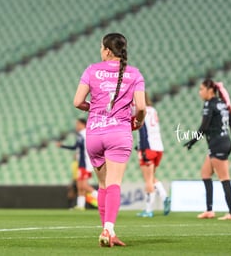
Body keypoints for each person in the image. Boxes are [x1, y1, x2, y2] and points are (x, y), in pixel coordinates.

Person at [73, 33, 146, 247]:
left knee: (103, 185)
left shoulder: (92, 70)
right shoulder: (134, 74)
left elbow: (77, 101)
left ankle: (104, 229)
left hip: (94, 133)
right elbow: (141, 107)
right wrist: (138, 121)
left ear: (106, 50)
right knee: (114, 184)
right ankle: (109, 229)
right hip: (119, 133)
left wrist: (94, 108)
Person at [184, 79, 231, 220]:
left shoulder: (209, 105)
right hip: (223, 142)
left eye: (201, 89)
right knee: (205, 173)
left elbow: (204, 127)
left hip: (218, 143)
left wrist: (192, 142)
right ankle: (209, 210)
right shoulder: (223, 104)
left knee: (224, 178)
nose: (200, 92)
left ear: (209, 90)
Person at [136, 93, 171, 217]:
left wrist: (143, 148)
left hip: (148, 147)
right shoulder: (153, 110)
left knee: (148, 180)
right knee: (152, 177)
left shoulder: (141, 111)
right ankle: (164, 196)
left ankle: (148, 210)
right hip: (158, 147)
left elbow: (143, 131)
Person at [57, 118, 98, 210]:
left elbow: (86, 148)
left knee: (83, 185)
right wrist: (62, 146)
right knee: (80, 186)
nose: (76, 126)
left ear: (82, 124)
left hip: (86, 163)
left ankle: (100, 197)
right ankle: (80, 206)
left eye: (77, 124)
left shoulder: (85, 134)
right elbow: (76, 147)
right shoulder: (80, 135)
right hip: (81, 163)